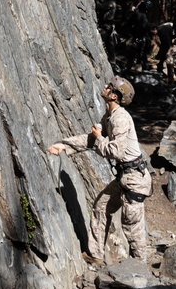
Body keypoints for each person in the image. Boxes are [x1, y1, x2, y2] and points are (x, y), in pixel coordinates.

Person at [48, 77, 152, 263]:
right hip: (126, 176)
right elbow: (91, 139)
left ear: (114, 96)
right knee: (101, 207)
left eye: (109, 86)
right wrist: (64, 146)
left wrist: (99, 138)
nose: (105, 87)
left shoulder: (121, 119)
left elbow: (116, 152)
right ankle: (95, 255)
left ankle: (140, 269)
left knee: (132, 228)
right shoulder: (109, 116)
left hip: (135, 180)